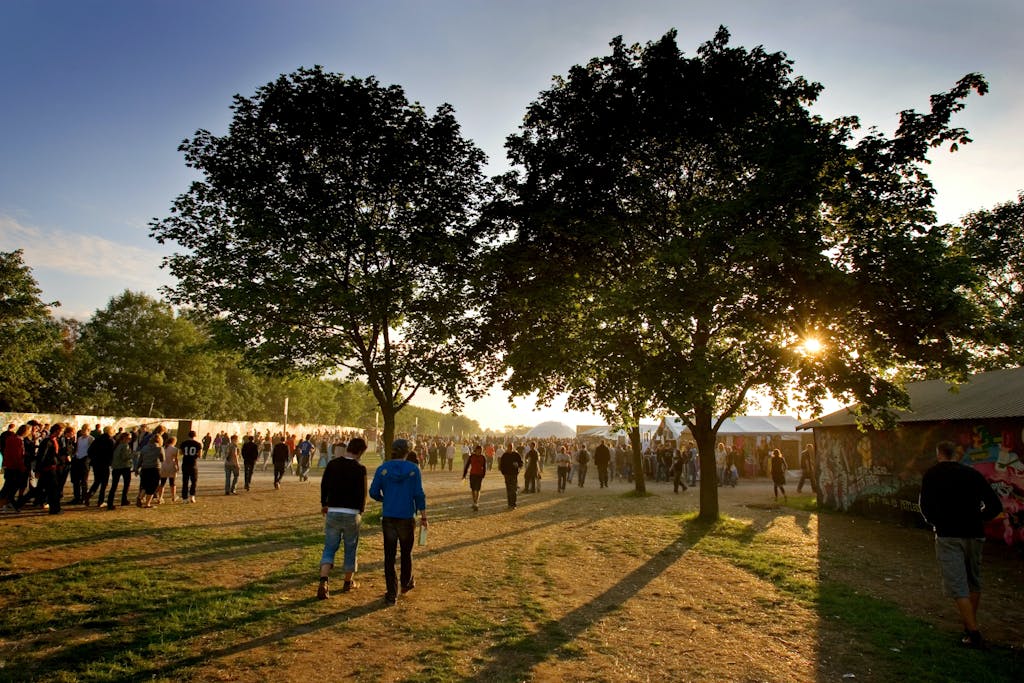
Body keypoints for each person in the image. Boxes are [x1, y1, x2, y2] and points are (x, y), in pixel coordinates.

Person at [919, 440, 1004, 649]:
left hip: (948, 535)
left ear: (939, 454)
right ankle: (969, 628)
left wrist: (936, 522)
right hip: (974, 533)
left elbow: (926, 507)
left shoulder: (932, 475)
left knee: (957, 585)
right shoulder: (972, 474)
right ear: (956, 454)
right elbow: (995, 506)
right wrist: (977, 517)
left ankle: (974, 633)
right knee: (973, 581)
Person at [369, 439, 427, 606]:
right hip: (407, 516)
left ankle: (391, 593)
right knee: (406, 553)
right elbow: (419, 494)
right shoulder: (414, 469)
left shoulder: (383, 468)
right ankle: (406, 583)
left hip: (389, 515)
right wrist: (423, 516)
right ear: (407, 452)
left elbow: (373, 492)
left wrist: (385, 499)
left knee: (389, 556)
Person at [317, 437, 369, 599]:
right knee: (350, 547)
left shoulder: (333, 464)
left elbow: (324, 485)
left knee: (329, 547)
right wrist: (361, 509)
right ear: (360, 452)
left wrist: (324, 503)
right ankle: (348, 581)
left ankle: (324, 580)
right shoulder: (360, 469)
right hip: (351, 512)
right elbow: (363, 492)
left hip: (333, 509)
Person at [85, 426, 115, 506]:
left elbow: (89, 451)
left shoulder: (97, 439)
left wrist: (93, 459)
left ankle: (88, 495)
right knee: (104, 483)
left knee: (97, 481)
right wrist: (111, 462)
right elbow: (112, 453)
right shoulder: (110, 441)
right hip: (105, 464)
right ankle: (100, 501)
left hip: (96, 463)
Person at [135, 434, 164, 508]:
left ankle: (140, 497)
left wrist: (137, 468)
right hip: (155, 469)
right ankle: (147, 504)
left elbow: (140, 459)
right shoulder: (160, 448)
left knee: (145, 485)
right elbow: (162, 459)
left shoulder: (144, 448)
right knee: (153, 486)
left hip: (145, 469)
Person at [107, 432, 134, 509]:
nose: (130, 440)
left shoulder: (117, 445)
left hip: (116, 467)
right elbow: (124, 457)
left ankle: (110, 502)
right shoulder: (125, 446)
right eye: (129, 438)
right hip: (124, 467)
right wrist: (133, 455)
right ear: (124, 439)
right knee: (126, 484)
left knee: (114, 485)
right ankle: (123, 500)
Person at [178, 430, 202, 503]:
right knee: (194, 481)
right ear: (195, 436)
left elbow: (181, 453)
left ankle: (184, 498)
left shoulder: (184, 443)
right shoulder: (198, 444)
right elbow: (200, 455)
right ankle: (192, 496)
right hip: (193, 464)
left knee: (185, 481)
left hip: (185, 463)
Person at [498, 442, 523, 509]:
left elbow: (521, 463)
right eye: (509, 447)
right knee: (509, 490)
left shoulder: (516, 454)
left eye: (511, 447)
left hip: (514, 474)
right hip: (507, 475)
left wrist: (518, 467)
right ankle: (509, 504)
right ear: (507, 447)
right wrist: (503, 473)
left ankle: (514, 504)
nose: (510, 448)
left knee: (514, 490)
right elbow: (501, 465)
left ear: (513, 447)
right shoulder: (504, 455)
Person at [462, 444, 487, 511]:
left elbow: (484, 467)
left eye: (481, 450)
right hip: (472, 474)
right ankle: (474, 501)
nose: (480, 452)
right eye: (479, 450)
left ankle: (476, 502)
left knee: (478, 489)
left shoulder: (483, 457)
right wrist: (464, 475)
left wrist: (484, 474)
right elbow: (467, 466)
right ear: (476, 450)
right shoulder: (472, 456)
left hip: (479, 475)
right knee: (473, 489)